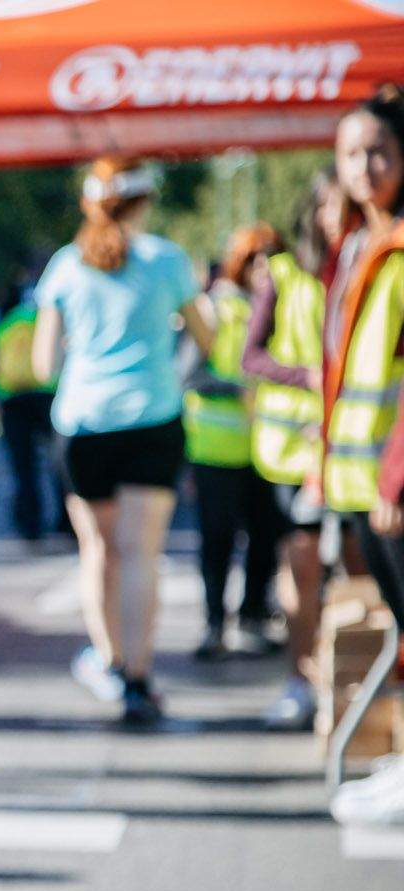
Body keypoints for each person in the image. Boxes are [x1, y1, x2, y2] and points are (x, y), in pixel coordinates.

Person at [33, 158, 212, 726]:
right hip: (153, 417)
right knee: (141, 554)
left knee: (99, 552)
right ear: (144, 202)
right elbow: (206, 335)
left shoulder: (65, 266)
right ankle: (138, 678)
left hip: (84, 422)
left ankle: (108, 663)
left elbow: (43, 364)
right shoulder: (166, 260)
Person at [321, 89, 404, 826]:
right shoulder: (358, 243)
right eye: (351, 152)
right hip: (359, 478)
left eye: (379, 150)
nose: (365, 165)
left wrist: (396, 471)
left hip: (392, 480)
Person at [244, 172, 342, 732]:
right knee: (301, 566)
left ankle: (349, 682)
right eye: (330, 207)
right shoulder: (282, 275)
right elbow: (249, 357)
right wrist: (305, 376)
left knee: (356, 574)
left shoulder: (373, 264)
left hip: (355, 452)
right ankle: (300, 678)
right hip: (292, 454)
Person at [184, 227, 285, 662]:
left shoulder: (284, 308)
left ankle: (253, 617)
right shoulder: (216, 308)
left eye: (272, 260)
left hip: (268, 450)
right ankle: (213, 624)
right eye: (255, 261)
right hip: (216, 451)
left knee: (267, 537)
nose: (264, 271)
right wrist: (237, 387)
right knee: (218, 541)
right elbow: (188, 374)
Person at [0, 278, 60, 542]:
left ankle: (30, 523)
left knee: (23, 466)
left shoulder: (4, 324)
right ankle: (66, 520)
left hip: (13, 398)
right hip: (47, 394)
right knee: (57, 463)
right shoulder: (45, 318)